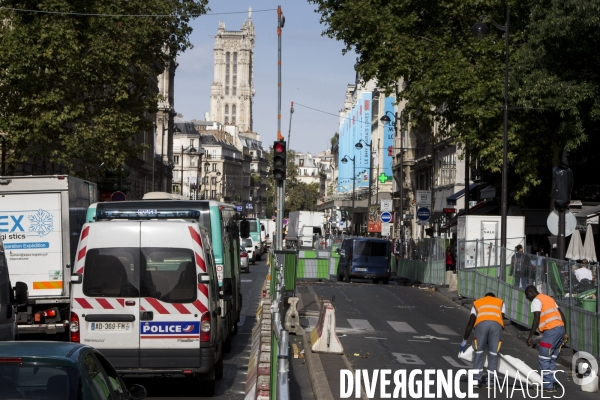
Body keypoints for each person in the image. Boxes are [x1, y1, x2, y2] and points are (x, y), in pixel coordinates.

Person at [525, 285, 568, 393]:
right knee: (552, 358)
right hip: (560, 330)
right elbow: (561, 315)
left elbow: (536, 319)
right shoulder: (549, 298)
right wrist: (564, 332)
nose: (527, 299)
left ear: (531, 292)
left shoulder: (536, 300)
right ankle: (552, 382)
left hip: (551, 332)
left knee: (543, 357)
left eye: (527, 296)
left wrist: (530, 336)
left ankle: (547, 385)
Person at [460, 292, 505, 388]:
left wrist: (464, 341)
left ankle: (476, 380)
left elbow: (470, 323)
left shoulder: (477, 302)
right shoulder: (500, 302)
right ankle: (490, 382)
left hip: (481, 325)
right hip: (496, 325)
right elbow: (501, 317)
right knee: (493, 354)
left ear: (485, 297)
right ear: (494, 298)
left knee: (479, 352)